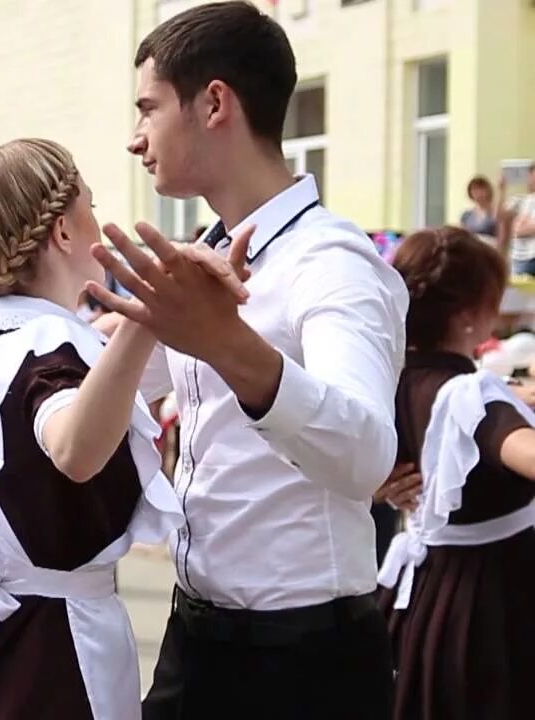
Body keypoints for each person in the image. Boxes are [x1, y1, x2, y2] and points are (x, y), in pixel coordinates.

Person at [100, 4, 409, 717]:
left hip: (303, 664)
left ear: (214, 103)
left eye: (147, 108)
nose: (134, 138)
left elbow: (366, 453)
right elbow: (100, 390)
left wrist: (232, 347)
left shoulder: (332, 262)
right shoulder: (197, 259)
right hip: (195, 638)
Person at [0, 138, 207, 719]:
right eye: (92, 206)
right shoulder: (45, 346)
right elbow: (73, 447)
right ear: (63, 233)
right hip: (52, 651)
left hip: (15, 629)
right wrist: (149, 318)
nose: (100, 219)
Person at [374, 227, 534, 720]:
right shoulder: (470, 396)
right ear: (469, 316)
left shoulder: (388, 381)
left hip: (421, 596)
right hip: (491, 605)